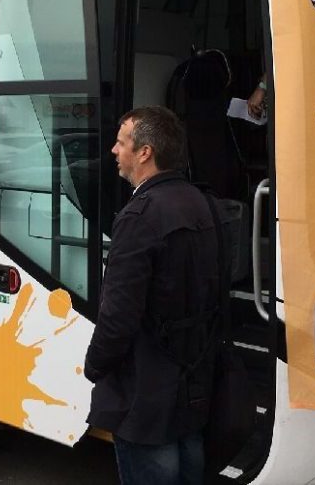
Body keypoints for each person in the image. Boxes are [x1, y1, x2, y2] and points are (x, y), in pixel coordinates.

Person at [84, 106, 221, 485]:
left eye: (121, 142)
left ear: (145, 152)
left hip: (145, 396)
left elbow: (118, 316)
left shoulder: (139, 217)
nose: (113, 149)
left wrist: (94, 366)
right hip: (193, 387)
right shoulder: (203, 203)